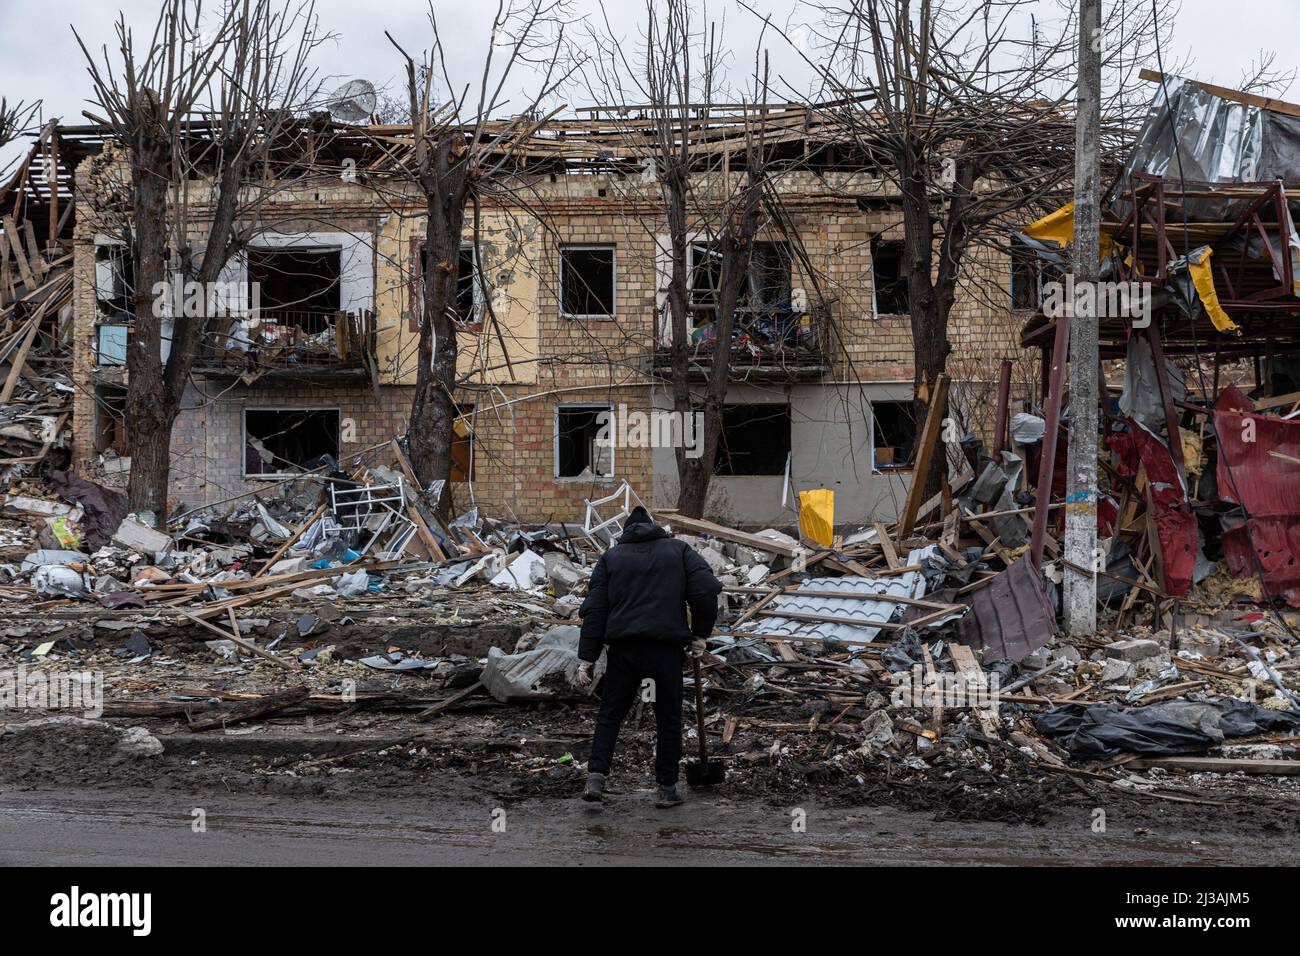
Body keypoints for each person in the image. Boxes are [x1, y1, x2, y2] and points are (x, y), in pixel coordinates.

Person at [575, 506, 721, 807]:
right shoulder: (678, 551)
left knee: (610, 715)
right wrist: (700, 635)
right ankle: (667, 788)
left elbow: (595, 610)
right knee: (668, 718)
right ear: (655, 529)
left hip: (624, 652)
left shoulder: (611, 558)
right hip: (665, 651)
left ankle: (596, 779)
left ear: (625, 533)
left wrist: (586, 657)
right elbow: (706, 589)